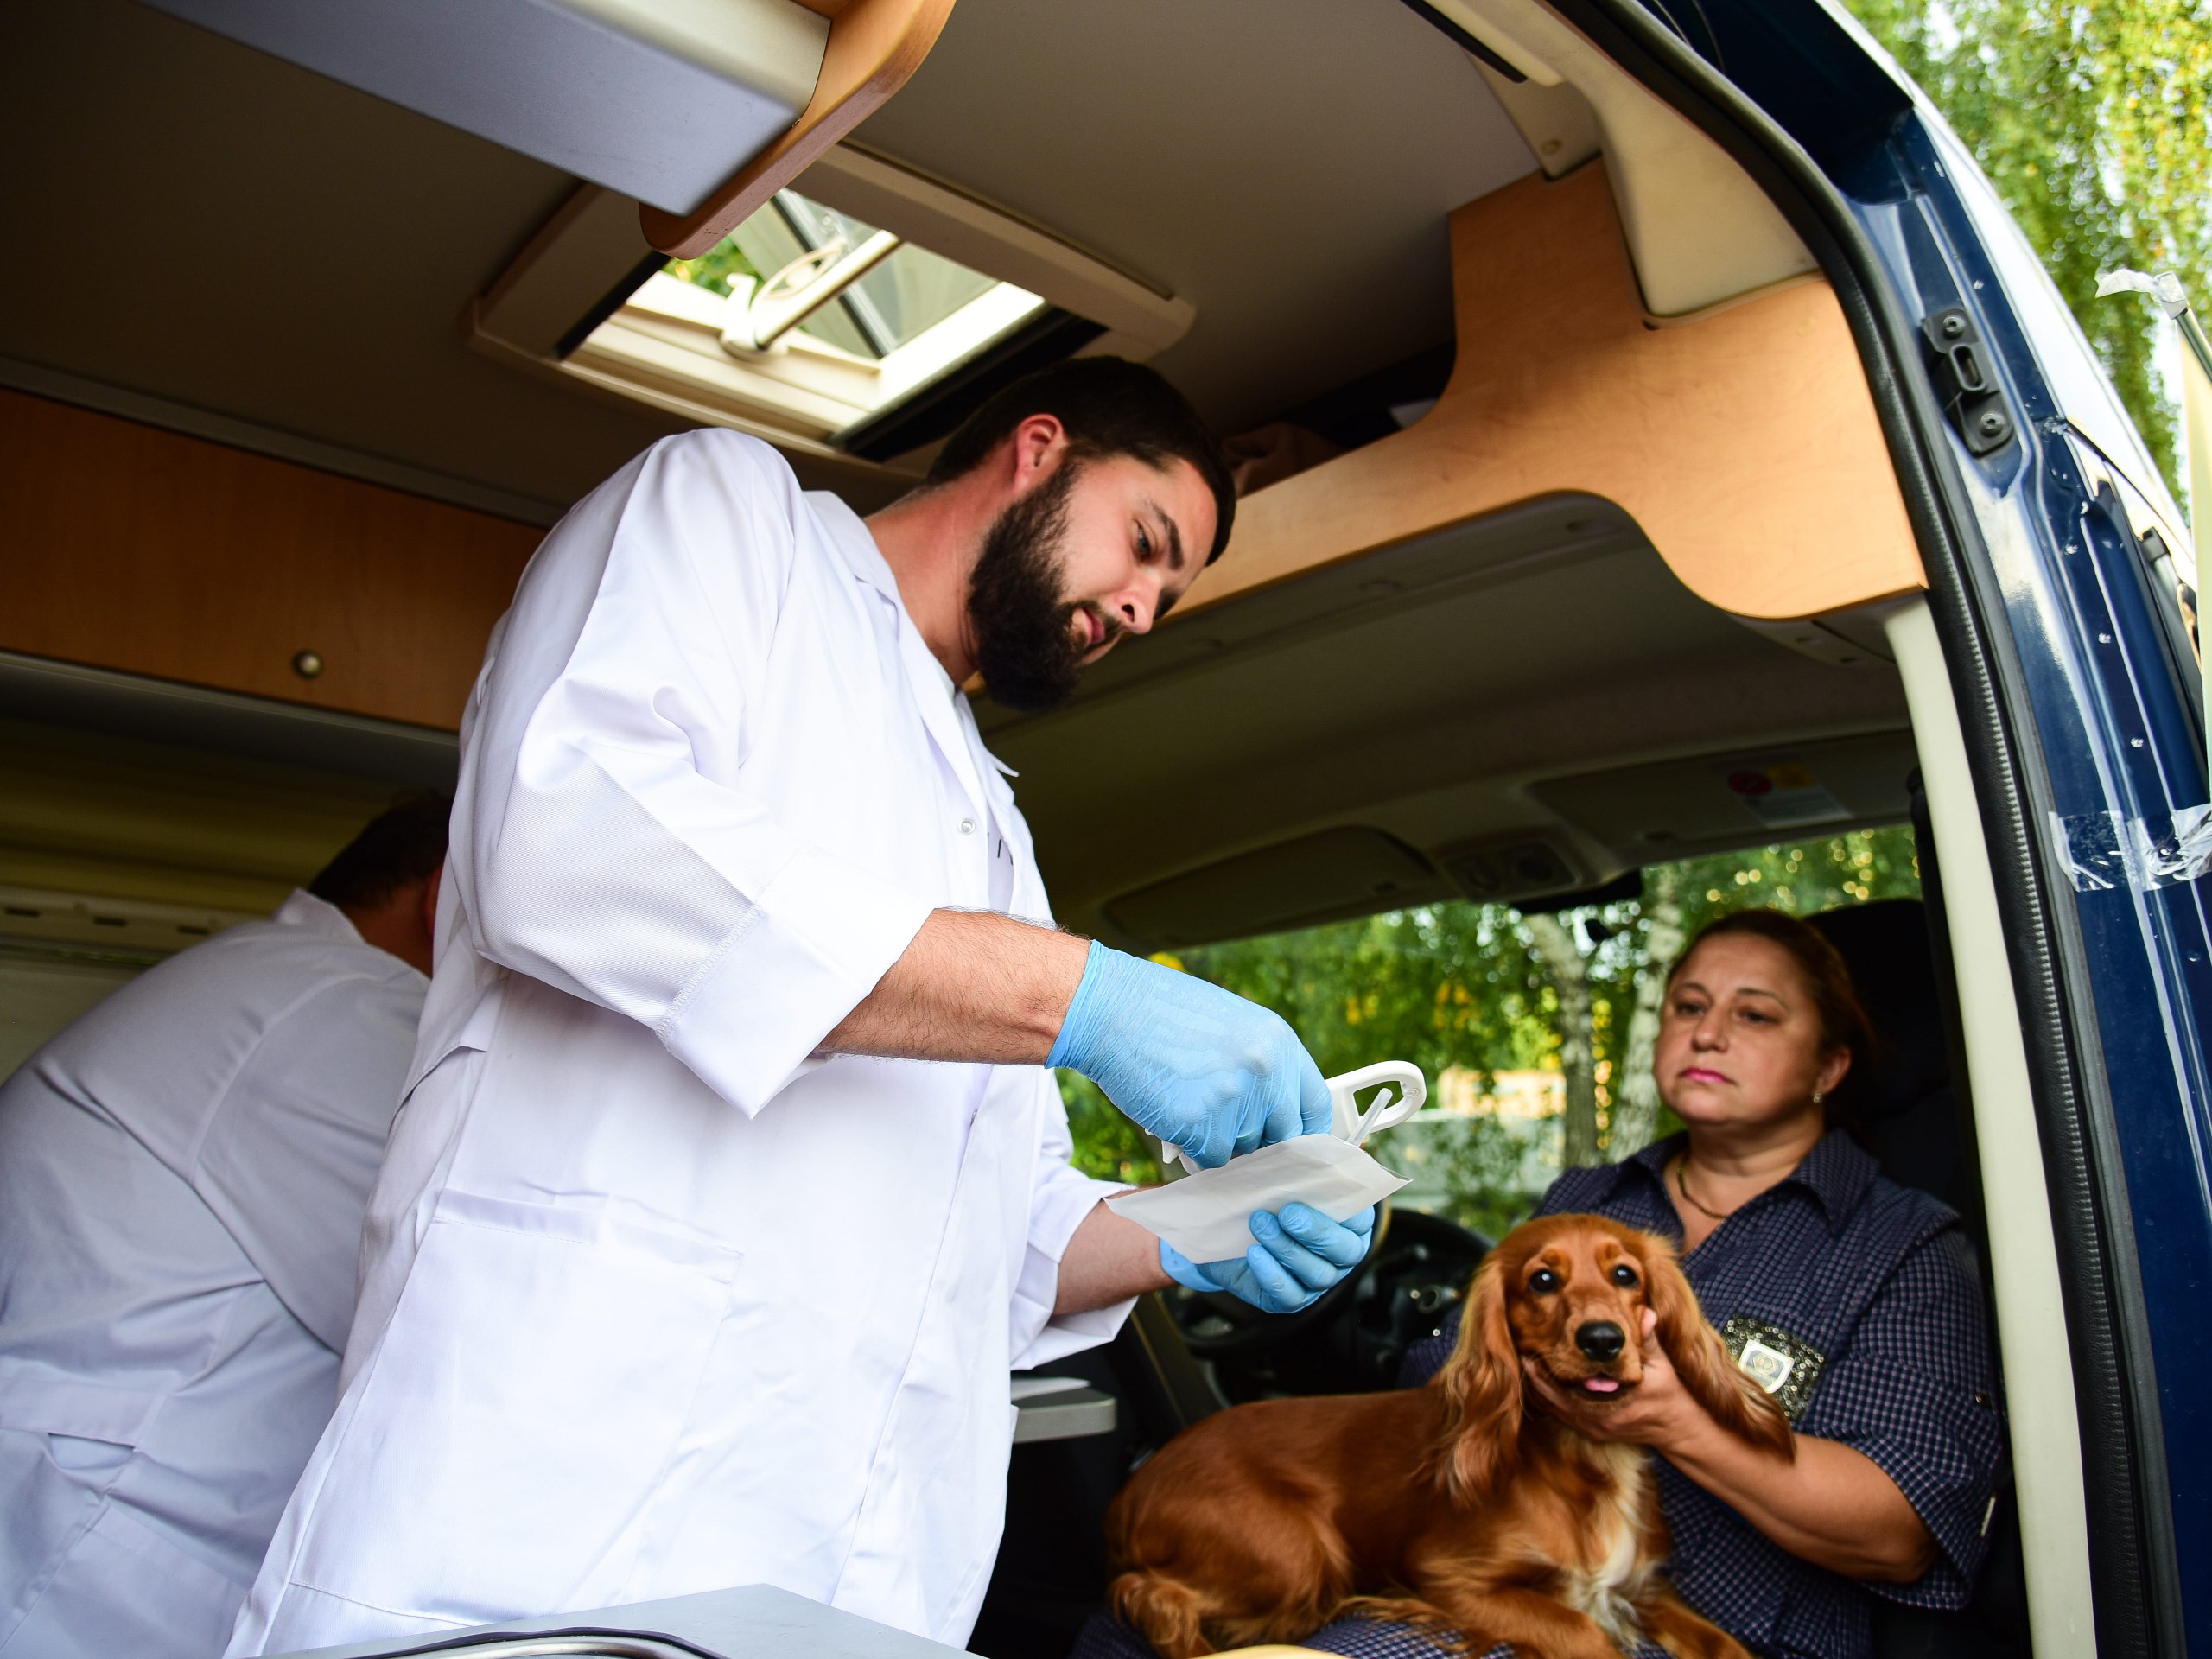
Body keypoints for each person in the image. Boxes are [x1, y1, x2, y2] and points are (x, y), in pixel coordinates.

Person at [228, 359, 1375, 1656]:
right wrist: (1083, 998)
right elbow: (565, 837)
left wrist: (1207, 1223)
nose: (1141, 606)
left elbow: (995, 1228)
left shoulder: (992, 835)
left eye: (1168, 594)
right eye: (1146, 545)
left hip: (857, 1581)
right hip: (560, 1525)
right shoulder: (731, 519)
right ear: (1038, 449)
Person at [0, 796, 448, 1659]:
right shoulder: (334, 1004)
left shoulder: (269, 979)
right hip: (81, 1562)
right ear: (444, 899)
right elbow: (463, 1300)